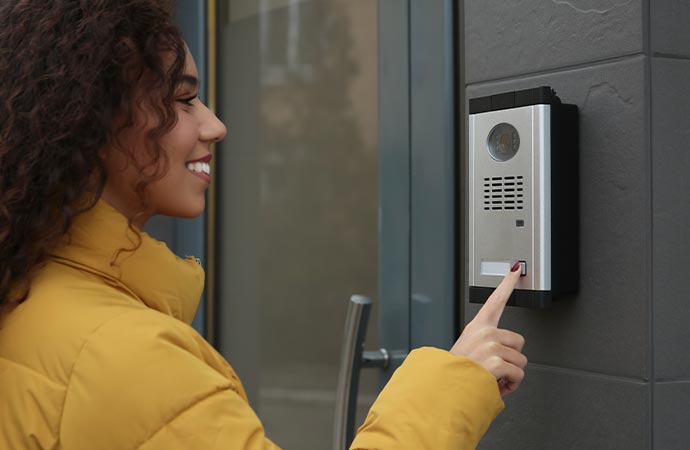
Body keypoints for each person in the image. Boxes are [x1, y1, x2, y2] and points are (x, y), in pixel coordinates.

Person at [0, 1, 528, 449]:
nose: (215, 124)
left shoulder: (28, 294)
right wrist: (452, 386)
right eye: (183, 100)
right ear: (90, 122)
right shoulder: (129, 360)